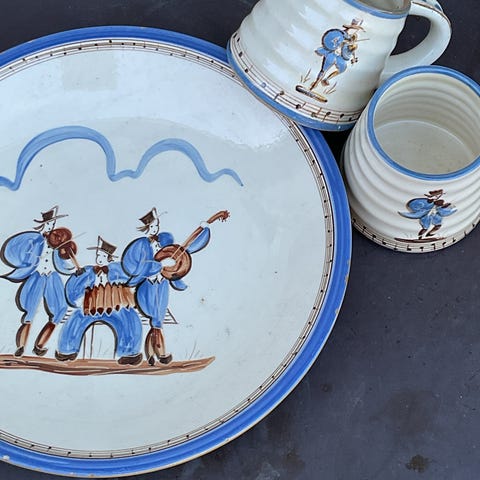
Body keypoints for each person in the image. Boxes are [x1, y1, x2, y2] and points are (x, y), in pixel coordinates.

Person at [122, 208, 226, 365]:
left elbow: (186, 249)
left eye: (156, 225)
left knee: (158, 320)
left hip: (162, 285)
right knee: (155, 319)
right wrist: (159, 265)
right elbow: (138, 267)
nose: (155, 229)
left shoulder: (165, 241)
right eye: (151, 226)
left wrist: (204, 228)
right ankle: (160, 353)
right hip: (148, 286)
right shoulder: (140, 245)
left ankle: (153, 354)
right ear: (146, 228)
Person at [55, 236, 143, 365]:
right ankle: (67, 350)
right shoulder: (87, 271)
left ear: (109, 258)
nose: (99, 258)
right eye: (98, 255)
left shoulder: (118, 269)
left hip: (115, 307)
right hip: (91, 306)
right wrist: (77, 279)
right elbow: (73, 290)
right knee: (76, 319)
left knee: (129, 319)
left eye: (102, 256)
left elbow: (131, 280)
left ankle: (130, 353)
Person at [0, 206, 74, 357]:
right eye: (48, 224)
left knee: (59, 310)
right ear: (43, 225)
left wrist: (67, 256)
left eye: (52, 224)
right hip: (37, 276)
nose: (51, 227)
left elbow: (64, 263)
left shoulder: (58, 244)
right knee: (30, 310)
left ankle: (39, 345)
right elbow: (22, 252)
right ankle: (21, 346)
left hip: (52, 277)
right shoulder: (34, 240)